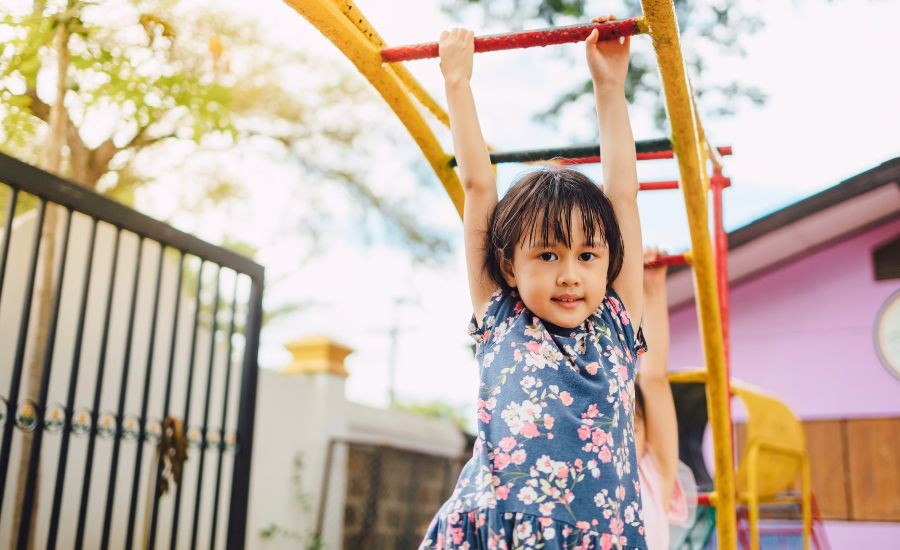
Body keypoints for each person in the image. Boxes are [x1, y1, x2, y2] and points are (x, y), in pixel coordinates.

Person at [421, 16, 648, 549]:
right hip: (501, 525)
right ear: (508, 266)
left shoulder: (616, 323)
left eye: (587, 255)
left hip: (600, 533)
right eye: (548, 254)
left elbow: (623, 197)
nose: (570, 274)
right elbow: (479, 186)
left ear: (607, 259)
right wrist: (457, 82)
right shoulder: (502, 317)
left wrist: (610, 88)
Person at [634, 249, 689, 549]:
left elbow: (653, 380)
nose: (621, 438)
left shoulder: (652, 477)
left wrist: (652, 290)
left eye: (631, 426)